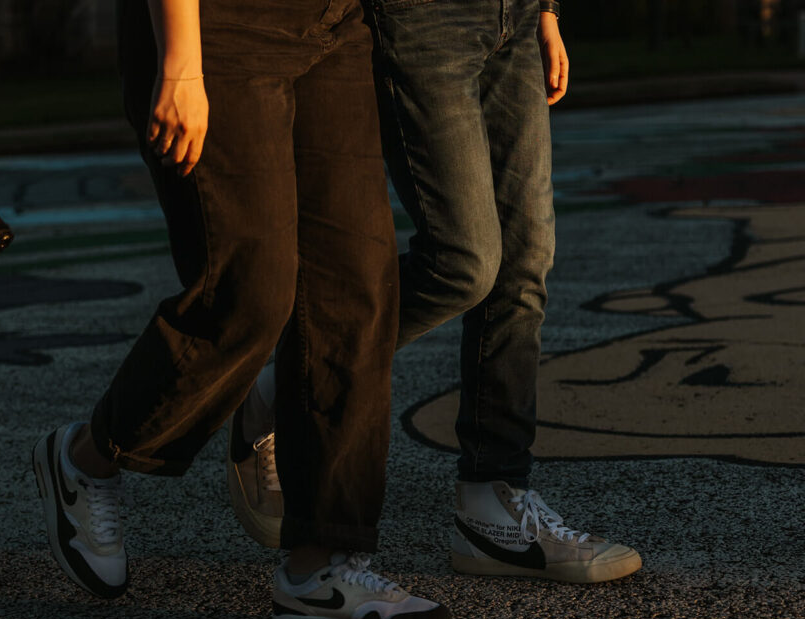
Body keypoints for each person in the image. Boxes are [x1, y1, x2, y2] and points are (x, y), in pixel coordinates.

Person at [31, 0, 451, 619]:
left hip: (335, 27)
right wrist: (178, 64)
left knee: (355, 295)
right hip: (214, 32)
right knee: (248, 294)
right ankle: (90, 453)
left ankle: (321, 574)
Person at [228, 0, 643, 584]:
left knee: (524, 262)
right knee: (464, 261)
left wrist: (547, 11)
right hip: (423, 16)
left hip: (517, 17)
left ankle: (492, 504)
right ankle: (290, 383)